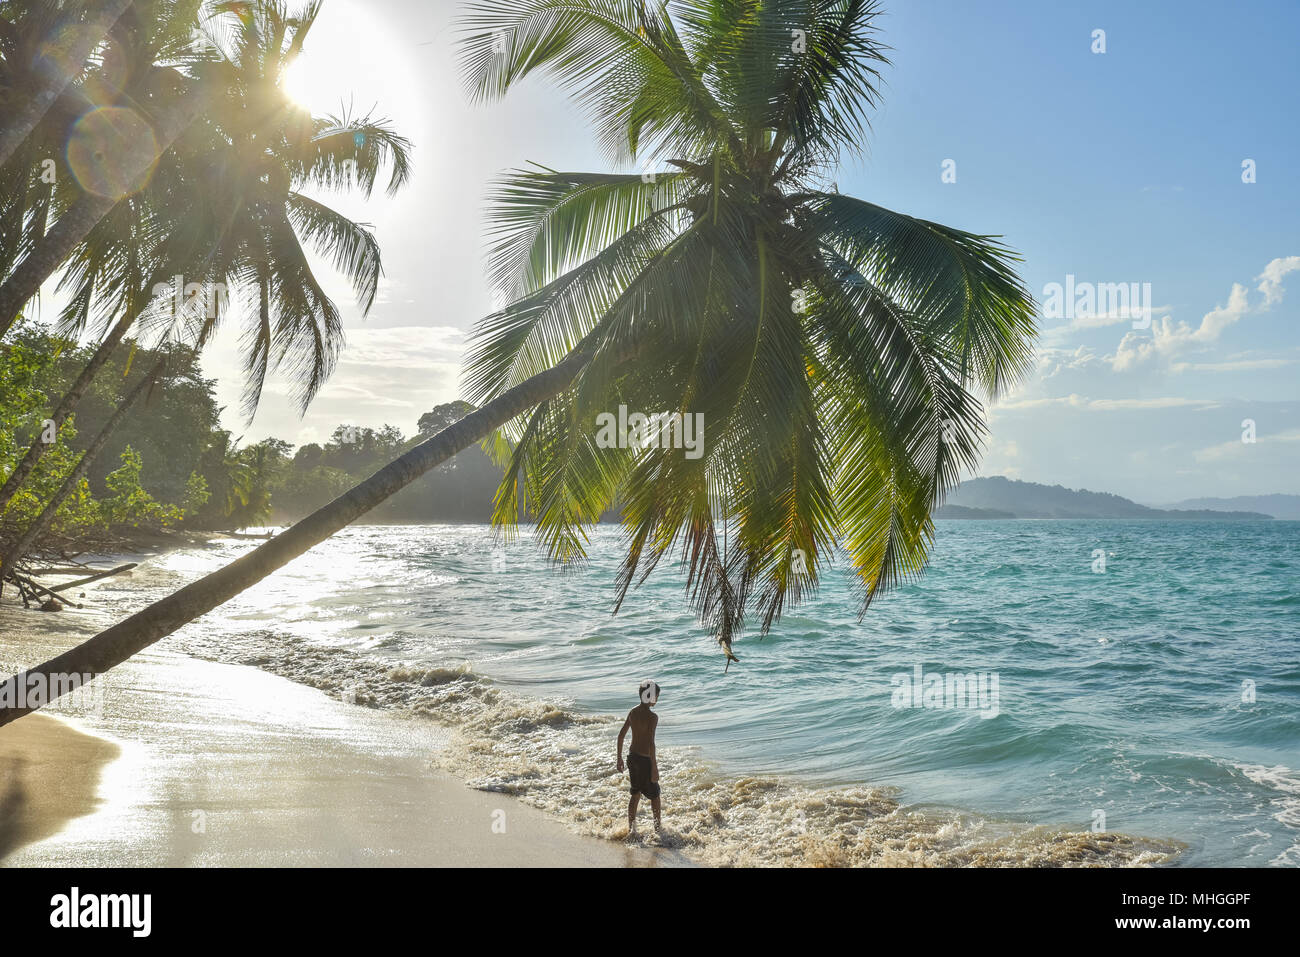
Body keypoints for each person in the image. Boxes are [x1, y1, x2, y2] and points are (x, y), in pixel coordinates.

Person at [616, 680, 661, 834]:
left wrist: (619, 758)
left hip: (632, 758)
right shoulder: (653, 717)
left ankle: (631, 829)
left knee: (635, 794)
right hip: (644, 760)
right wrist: (654, 767)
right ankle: (657, 830)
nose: (657, 699)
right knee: (655, 796)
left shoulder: (633, 712)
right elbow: (651, 744)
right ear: (651, 696)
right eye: (656, 696)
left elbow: (621, 735)